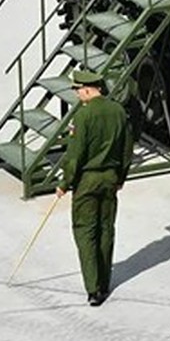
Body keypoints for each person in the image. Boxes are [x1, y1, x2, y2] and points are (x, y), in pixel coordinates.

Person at [56, 68, 132, 307]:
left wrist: (64, 183)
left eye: (78, 90)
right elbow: (127, 149)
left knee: (85, 232)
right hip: (110, 178)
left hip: (87, 181)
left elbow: (75, 155)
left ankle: (93, 288)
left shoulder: (83, 117)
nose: (77, 95)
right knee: (106, 229)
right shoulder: (118, 111)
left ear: (88, 89)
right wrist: (120, 177)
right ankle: (105, 282)